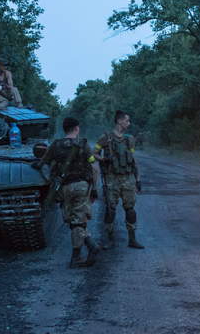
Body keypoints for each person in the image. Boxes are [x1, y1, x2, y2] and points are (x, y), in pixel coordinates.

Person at [35, 117, 101, 268]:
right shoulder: (83, 145)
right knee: (77, 221)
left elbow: (43, 163)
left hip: (64, 188)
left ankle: (82, 252)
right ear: (76, 128)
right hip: (81, 186)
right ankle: (88, 248)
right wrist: (94, 189)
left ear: (64, 129)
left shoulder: (55, 145)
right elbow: (94, 167)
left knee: (73, 220)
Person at [94, 110, 144, 249]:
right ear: (119, 121)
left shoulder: (130, 139)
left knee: (130, 210)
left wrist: (138, 179)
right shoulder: (105, 138)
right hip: (112, 179)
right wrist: (103, 159)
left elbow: (133, 160)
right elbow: (94, 153)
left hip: (128, 178)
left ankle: (132, 239)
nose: (129, 123)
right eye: (127, 120)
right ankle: (109, 240)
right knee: (110, 210)